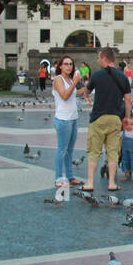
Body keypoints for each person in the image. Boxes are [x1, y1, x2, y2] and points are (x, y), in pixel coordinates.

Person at [84, 47, 131, 191]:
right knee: (112, 151)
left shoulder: (97, 76)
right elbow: (128, 100)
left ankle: (90, 183)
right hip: (115, 118)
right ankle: (111, 183)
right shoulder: (123, 77)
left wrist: (82, 93)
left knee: (94, 151)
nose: (98, 60)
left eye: (99, 58)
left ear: (104, 59)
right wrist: (127, 118)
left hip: (98, 118)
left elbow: (86, 91)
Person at [52, 56, 86, 189]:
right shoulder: (58, 79)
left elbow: (74, 94)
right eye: (66, 64)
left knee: (69, 150)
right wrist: (75, 83)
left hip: (73, 118)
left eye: (71, 64)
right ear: (60, 66)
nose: (69, 66)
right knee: (62, 150)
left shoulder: (70, 79)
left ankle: (70, 177)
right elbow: (64, 96)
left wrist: (86, 88)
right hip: (63, 119)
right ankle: (58, 179)